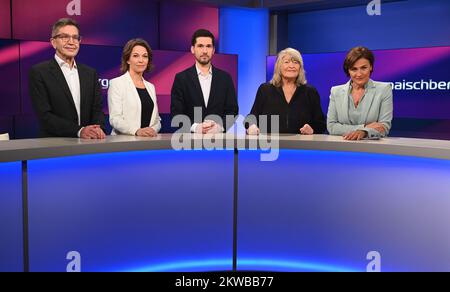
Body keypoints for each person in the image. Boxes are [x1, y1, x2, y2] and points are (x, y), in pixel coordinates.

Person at [29, 18, 106, 139]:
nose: (71, 42)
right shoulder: (39, 72)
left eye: (75, 37)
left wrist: (97, 128)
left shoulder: (90, 73)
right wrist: (79, 131)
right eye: (65, 37)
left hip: (89, 144)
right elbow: (45, 116)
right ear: (53, 42)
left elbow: (97, 109)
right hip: (54, 145)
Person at [171, 29, 238, 134]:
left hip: (219, 142)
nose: (205, 51)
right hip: (190, 143)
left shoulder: (225, 78)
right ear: (193, 49)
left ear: (213, 50)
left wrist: (220, 127)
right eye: (200, 46)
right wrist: (195, 127)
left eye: (208, 46)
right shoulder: (181, 78)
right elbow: (176, 113)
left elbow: (232, 111)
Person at [246, 48, 326, 135]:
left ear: (300, 68)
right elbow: (250, 118)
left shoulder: (310, 92)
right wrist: (251, 126)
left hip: (301, 145)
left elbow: (321, 124)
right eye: (287, 62)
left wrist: (312, 129)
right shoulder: (265, 89)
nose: (291, 66)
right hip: (270, 145)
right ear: (279, 67)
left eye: (296, 62)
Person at [327, 46, 393, 140]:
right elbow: (331, 127)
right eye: (354, 69)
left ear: (371, 67)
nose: (359, 74)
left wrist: (364, 133)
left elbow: (384, 127)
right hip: (341, 148)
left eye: (363, 68)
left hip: (371, 150)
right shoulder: (336, 91)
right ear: (348, 71)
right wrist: (365, 128)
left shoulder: (384, 89)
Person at [108, 39, 161, 136]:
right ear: (128, 59)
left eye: (145, 56)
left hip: (148, 141)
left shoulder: (150, 87)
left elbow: (157, 119)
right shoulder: (117, 83)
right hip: (123, 143)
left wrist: (153, 130)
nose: (141, 60)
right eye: (136, 56)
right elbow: (115, 119)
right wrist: (136, 131)